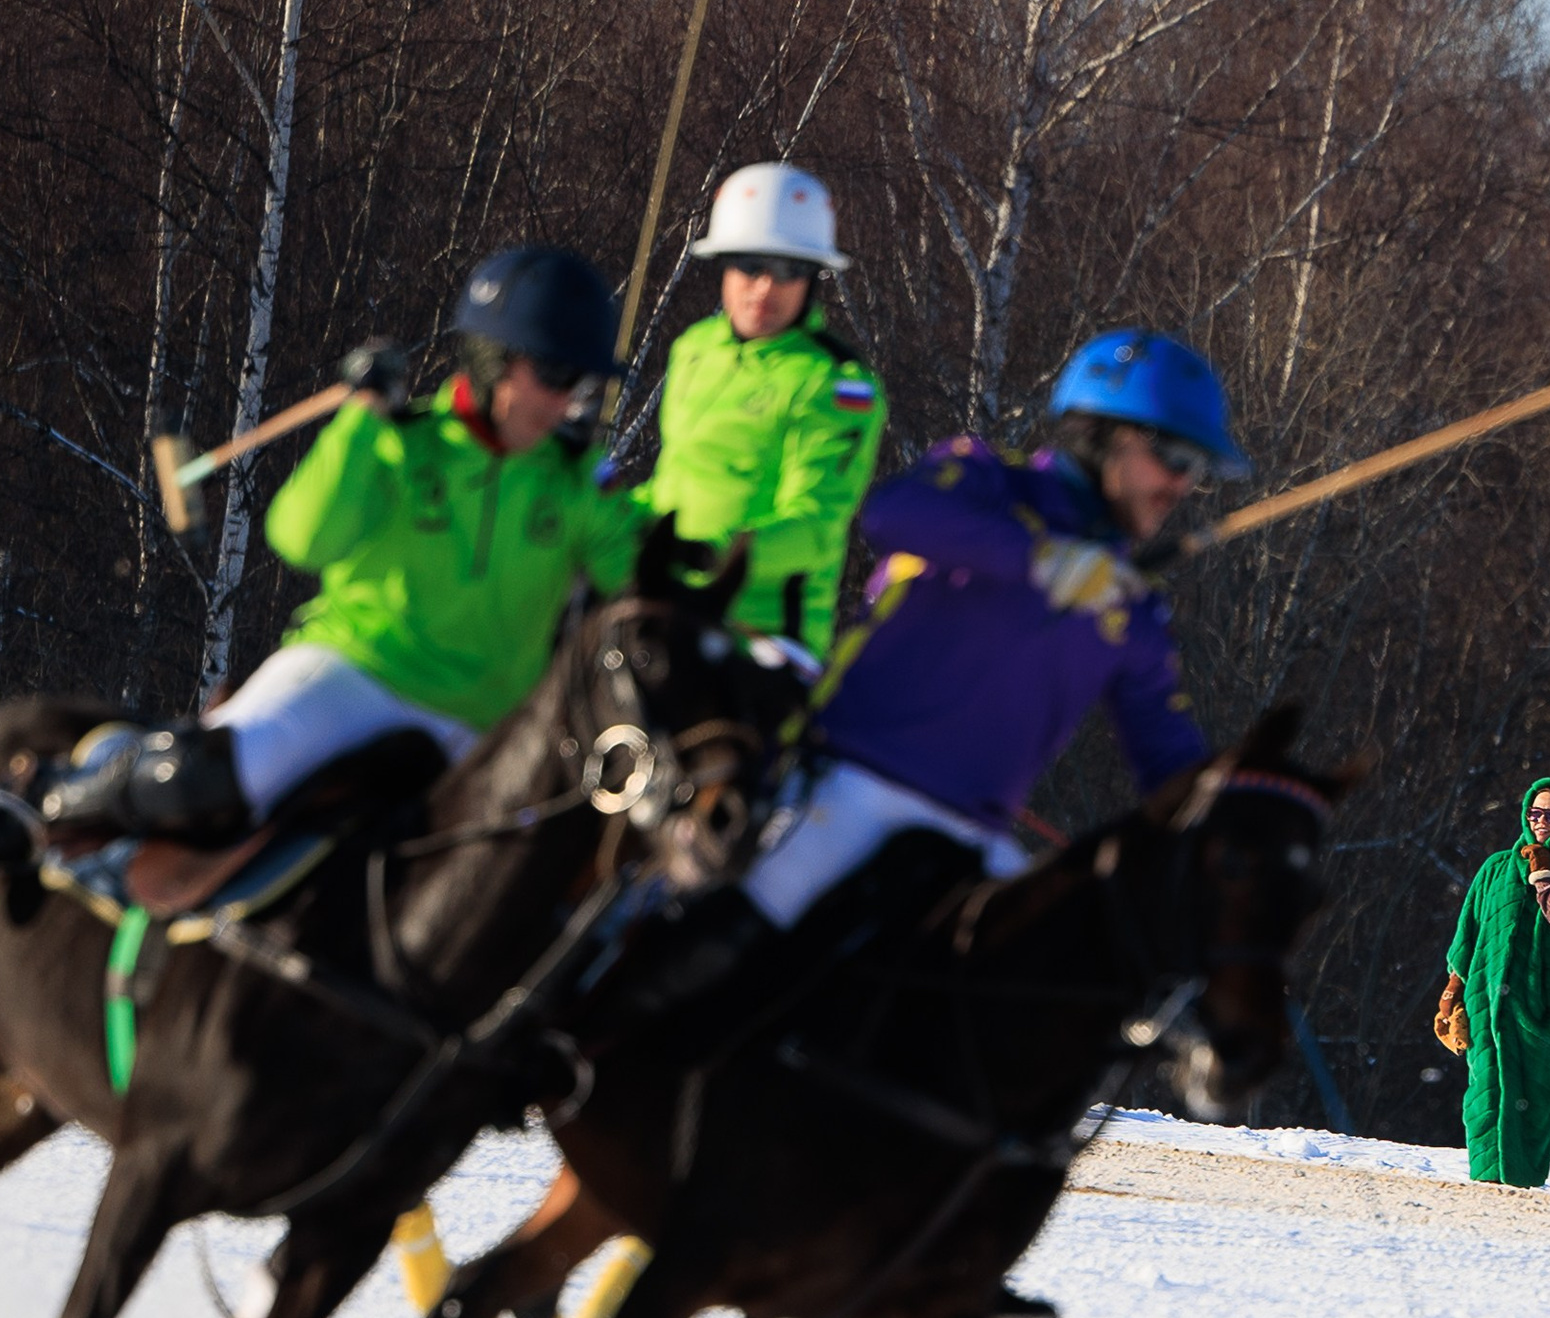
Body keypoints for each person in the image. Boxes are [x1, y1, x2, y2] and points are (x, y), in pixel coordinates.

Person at [596, 326, 1247, 1012]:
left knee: (1048, 1003)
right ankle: (585, 1039)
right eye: (1171, 456)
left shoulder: (1128, 603)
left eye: (1195, 467)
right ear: (1103, 436)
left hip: (973, 836)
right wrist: (1041, 558)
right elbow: (894, 512)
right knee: (716, 941)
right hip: (849, 785)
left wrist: (1238, 812)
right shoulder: (986, 483)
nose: (1181, 484)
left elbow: (1165, 754)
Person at [19, 249, 641, 850]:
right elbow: (300, 539)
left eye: (580, 382)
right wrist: (361, 421)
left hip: (483, 728)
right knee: (197, 779)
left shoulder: (579, 487)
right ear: (494, 360)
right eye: (556, 375)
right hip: (353, 674)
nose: (567, 400)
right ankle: (48, 803)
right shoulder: (405, 445)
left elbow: (642, 580)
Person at [646, 163, 888, 650]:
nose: (764, 288)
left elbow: (815, 526)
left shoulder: (836, 385)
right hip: (664, 603)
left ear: (812, 278)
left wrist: (718, 555)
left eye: (788, 270)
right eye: (750, 265)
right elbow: (671, 483)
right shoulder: (695, 349)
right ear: (724, 265)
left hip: (763, 637)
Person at [1437, 778, 1550, 1188]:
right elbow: (1467, 933)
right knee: (1484, 1091)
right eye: (1534, 813)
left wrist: (1545, 879)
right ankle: (1485, 1182)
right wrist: (1452, 992)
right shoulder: (1495, 868)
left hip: (1542, 1006)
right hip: (1486, 1001)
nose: (1540, 822)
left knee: (1538, 1096)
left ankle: (1524, 1183)